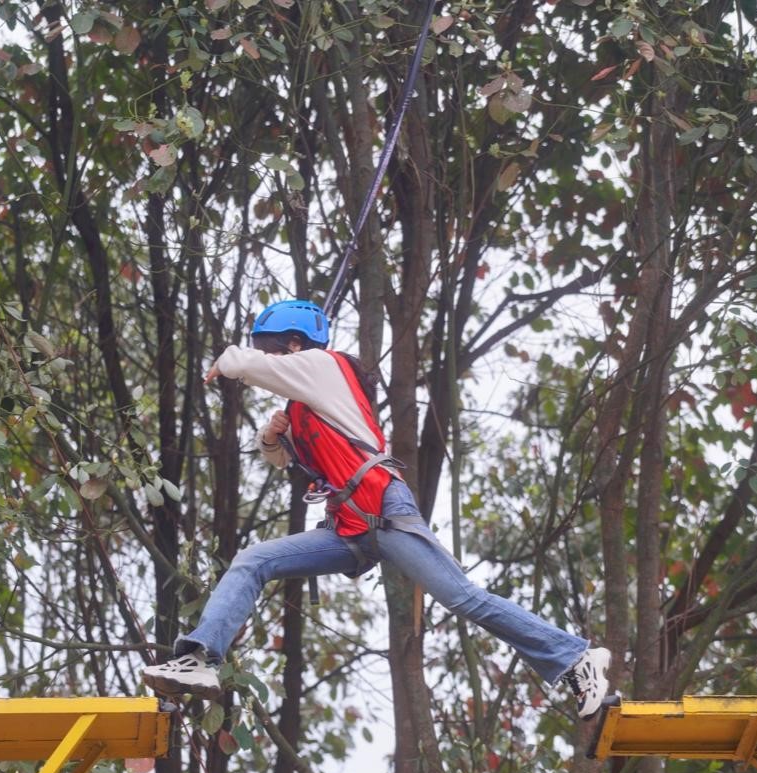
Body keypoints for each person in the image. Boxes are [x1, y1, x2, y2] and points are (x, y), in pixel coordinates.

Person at [142, 300, 613, 719]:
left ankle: (575, 658)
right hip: (349, 528)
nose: (264, 357)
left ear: (294, 345)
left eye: (269, 349)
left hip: (382, 506)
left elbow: (244, 364)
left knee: (462, 597)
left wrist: (228, 360)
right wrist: (271, 436)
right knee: (253, 560)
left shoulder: (322, 366)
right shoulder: (305, 405)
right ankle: (200, 658)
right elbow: (283, 459)